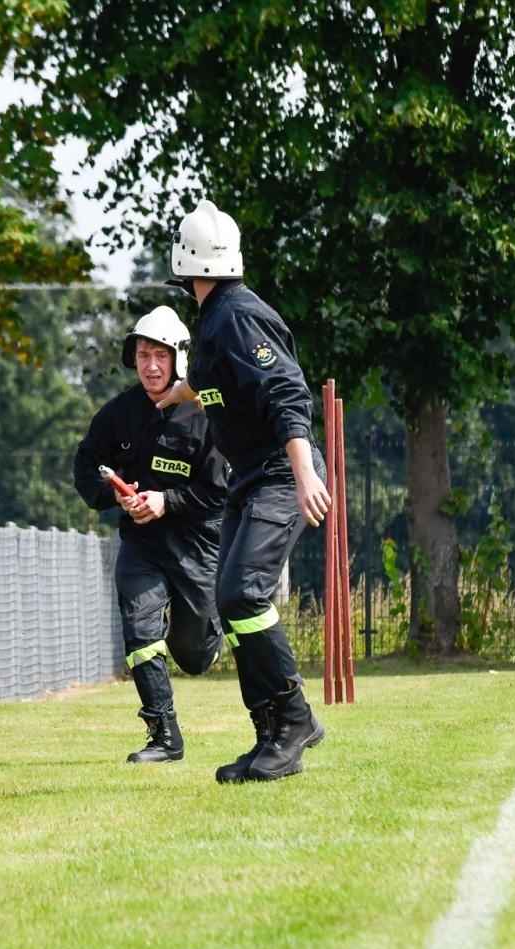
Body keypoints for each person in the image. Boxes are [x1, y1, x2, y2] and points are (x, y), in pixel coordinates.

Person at [153, 199, 331, 783]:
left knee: (243, 596)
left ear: (184, 261)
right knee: (231, 605)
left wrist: (304, 472)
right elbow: (215, 384)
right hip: (249, 481)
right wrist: (180, 392)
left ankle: (296, 720)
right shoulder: (213, 319)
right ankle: (269, 736)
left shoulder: (236, 317)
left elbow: (285, 392)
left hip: (280, 475)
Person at [73, 306, 229, 763]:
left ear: (179, 358)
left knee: (193, 656)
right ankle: (163, 735)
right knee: (139, 628)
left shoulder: (205, 414)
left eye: (160, 355)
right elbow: (86, 469)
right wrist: (113, 493)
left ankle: (209, 631)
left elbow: (219, 493)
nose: (152, 366)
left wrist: (167, 501)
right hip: (140, 546)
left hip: (197, 547)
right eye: (143, 355)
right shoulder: (116, 415)